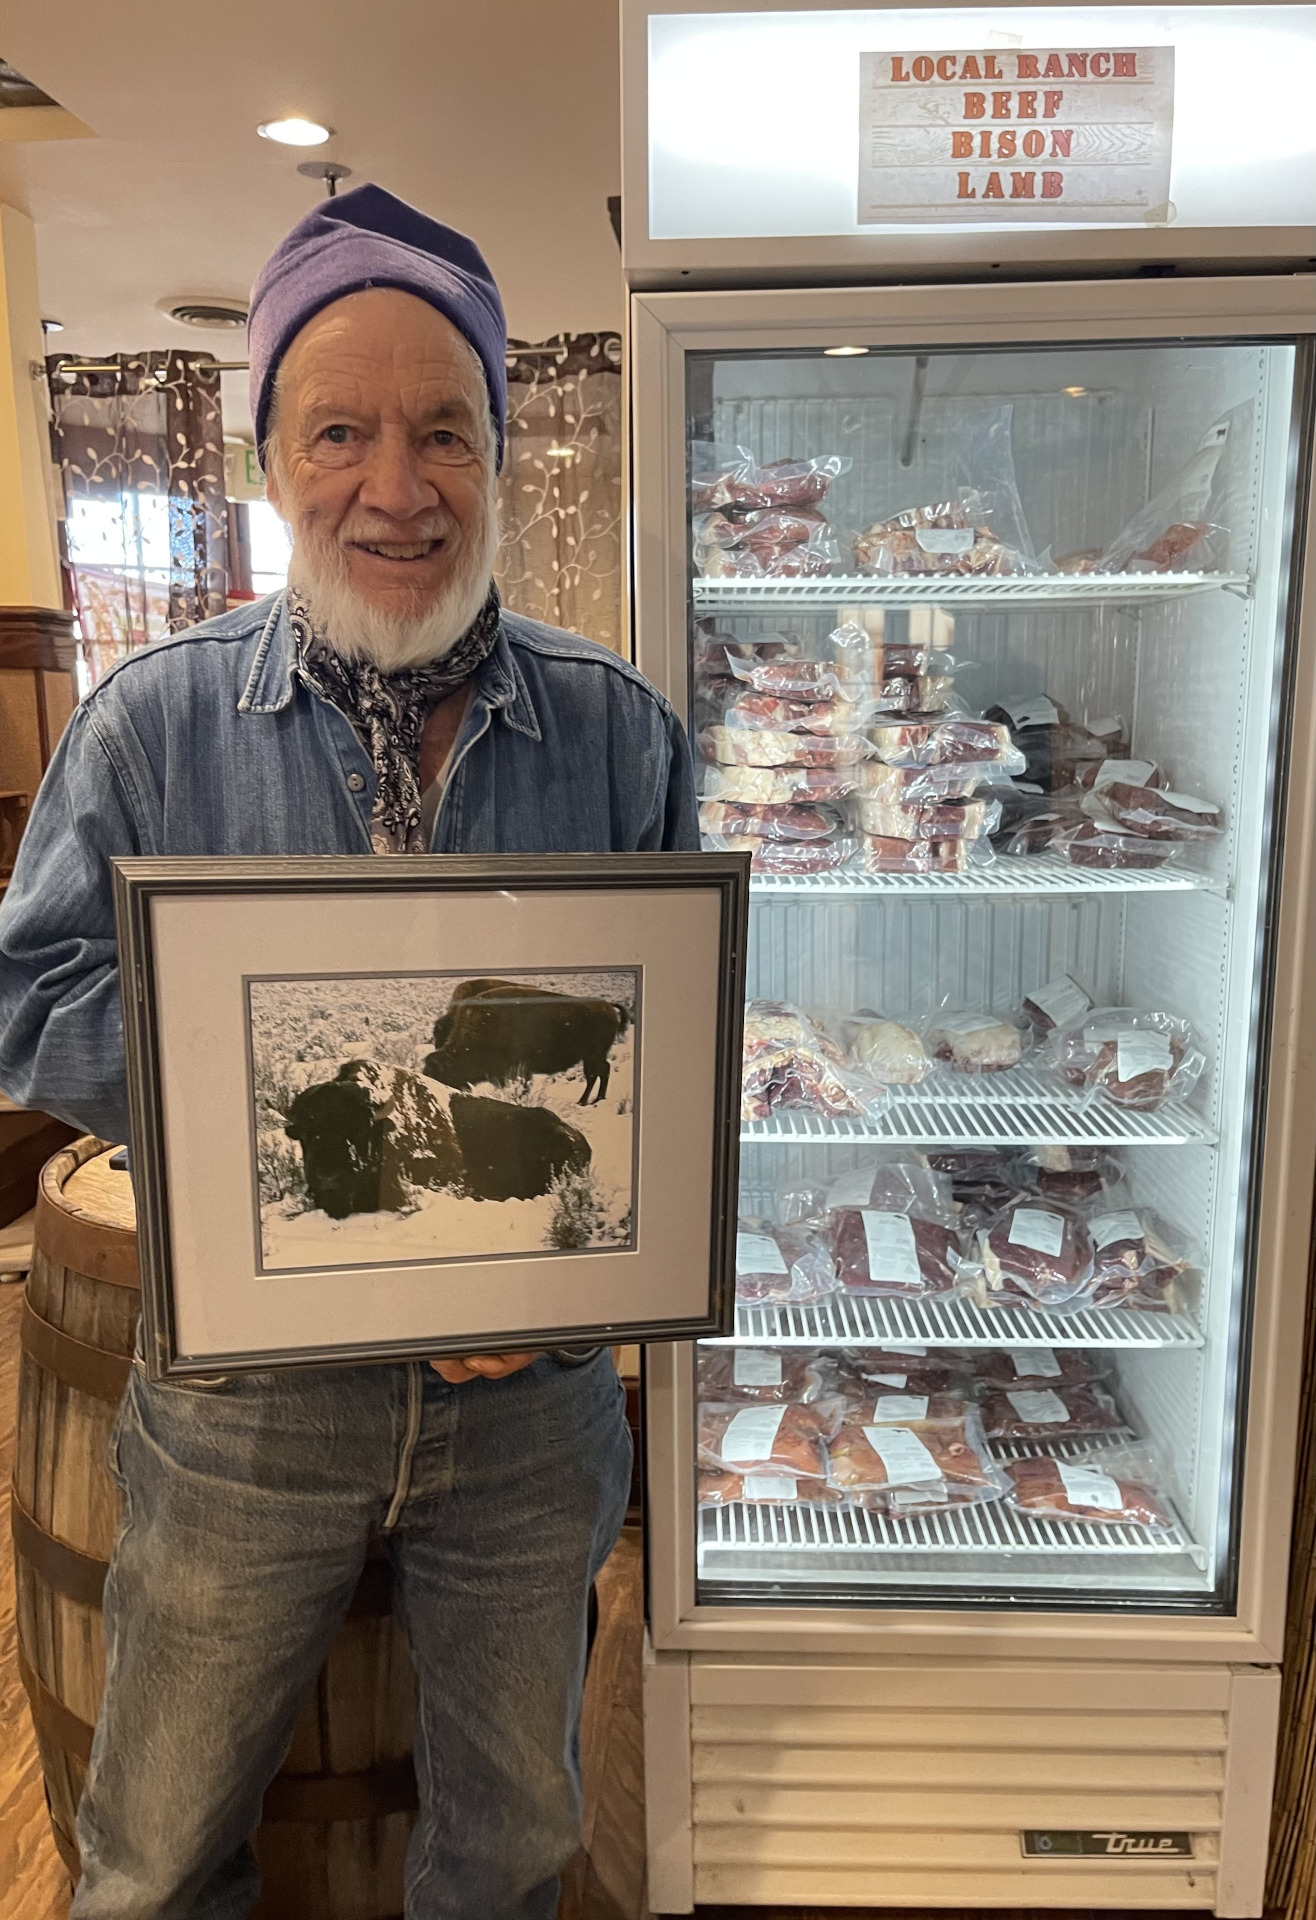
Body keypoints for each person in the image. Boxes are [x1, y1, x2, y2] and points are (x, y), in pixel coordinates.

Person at [0, 184, 698, 1919]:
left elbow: (675, 1057)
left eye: (444, 430)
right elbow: (28, 1000)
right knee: (155, 1857)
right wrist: (305, 1164)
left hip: (530, 1417)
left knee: (518, 1848)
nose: (396, 486)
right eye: (340, 433)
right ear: (267, 460)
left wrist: (566, 1263)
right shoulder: (154, 723)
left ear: (499, 450)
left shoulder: (616, 735)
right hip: (246, 1406)